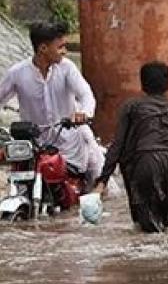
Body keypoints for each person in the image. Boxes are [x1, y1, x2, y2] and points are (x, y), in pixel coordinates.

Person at [93, 61, 168, 233]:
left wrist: (101, 182)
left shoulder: (131, 108)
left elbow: (117, 146)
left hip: (144, 166)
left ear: (142, 83)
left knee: (147, 232)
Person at [0, 21, 105, 186]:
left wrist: (84, 113)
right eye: (60, 47)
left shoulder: (67, 68)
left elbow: (86, 94)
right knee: (19, 181)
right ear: (43, 48)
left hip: (71, 141)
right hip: (35, 145)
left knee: (98, 176)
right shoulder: (17, 73)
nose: (65, 51)